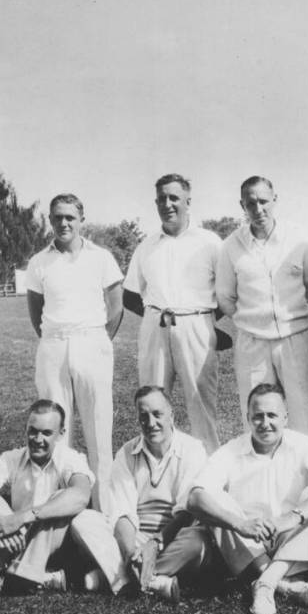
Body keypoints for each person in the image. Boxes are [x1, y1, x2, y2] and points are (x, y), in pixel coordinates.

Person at [186, 383, 308, 614]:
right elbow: (194, 498)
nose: (265, 423)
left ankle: (266, 583)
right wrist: (240, 524)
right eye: (258, 416)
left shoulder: (301, 444)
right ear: (248, 418)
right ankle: (280, 583)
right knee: (213, 499)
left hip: (291, 535)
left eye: (272, 415)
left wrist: (292, 518)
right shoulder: (231, 450)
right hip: (248, 541)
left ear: (285, 417)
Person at [0, 400, 128, 600]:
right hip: (17, 539)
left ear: (61, 434)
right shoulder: (13, 457)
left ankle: (11, 580)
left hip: (58, 543)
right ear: (26, 429)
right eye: (32, 431)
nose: (38, 439)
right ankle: (40, 576)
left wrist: (23, 517)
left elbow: (81, 496)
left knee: (61, 500)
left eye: (46, 433)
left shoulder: (70, 458)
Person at [27, 194, 124, 512]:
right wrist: (58, 339)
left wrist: (97, 341)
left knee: (98, 431)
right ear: (50, 220)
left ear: (81, 219)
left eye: (69, 217)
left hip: (92, 343)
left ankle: (104, 510)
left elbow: (116, 306)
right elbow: (35, 311)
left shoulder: (101, 257)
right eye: (57, 217)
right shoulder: (39, 261)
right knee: (55, 432)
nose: (63, 223)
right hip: (54, 345)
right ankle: (57, 512)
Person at [123, 174, 222, 453]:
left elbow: (227, 292)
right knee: (152, 405)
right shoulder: (147, 245)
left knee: (201, 406)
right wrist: (155, 317)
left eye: (174, 198)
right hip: (156, 326)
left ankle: (210, 477)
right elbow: (130, 294)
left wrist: (206, 322)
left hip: (197, 325)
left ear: (188, 202)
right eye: (161, 199)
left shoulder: (210, 242)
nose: (167, 204)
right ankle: (156, 473)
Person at [216, 176, 308, 441]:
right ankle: (260, 477)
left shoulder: (299, 239)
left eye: (263, 201)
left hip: (295, 338)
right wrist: (249, 321)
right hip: (253, 344)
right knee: (257, 415)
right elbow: (225, 297)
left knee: (303, 414)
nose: (258, 209)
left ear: (275, 200)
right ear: (242, 205)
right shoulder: (231, 246)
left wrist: (299, 320)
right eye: (251, 203)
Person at [104, 386, 210, 602]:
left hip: (173, 537)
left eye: (157, 414)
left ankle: (119, 576)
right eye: (144, 416)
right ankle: (154, 580)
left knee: (198, 541)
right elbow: (122, 512)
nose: (151, 423)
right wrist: (132, 551)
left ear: (172, 415)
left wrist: (155, 544)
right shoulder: (126, 453)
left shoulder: (192, 449)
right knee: (87, 521)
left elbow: (187, 511)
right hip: (135, 538)